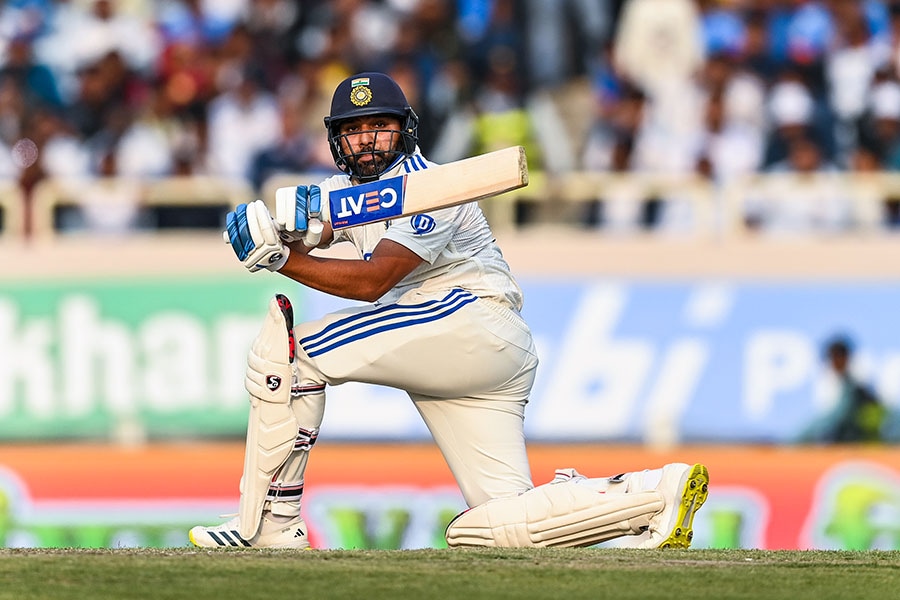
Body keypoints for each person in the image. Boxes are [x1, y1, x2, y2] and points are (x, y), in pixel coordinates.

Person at [188, 72, 709, 550]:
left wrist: (281, 259)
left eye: (380, 126)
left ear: (405, 131)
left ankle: (271, 525)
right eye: (355, 129)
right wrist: (269, 223)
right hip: (472, 358)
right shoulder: (342, 190)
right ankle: (652, 494)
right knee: (496, 526)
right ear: (335, 139)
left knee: (292, 354)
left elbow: (374, 281)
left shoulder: (432, 187)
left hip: (471, 322)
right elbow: (314, 222)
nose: (368, 139)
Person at [801, 335, 887, 444]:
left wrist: (795, 439)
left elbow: (835, 417)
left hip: (855, 443)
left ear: (845, 358)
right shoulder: (831, 382)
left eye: (836, 358)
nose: (833, 363)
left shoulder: (856, 385)